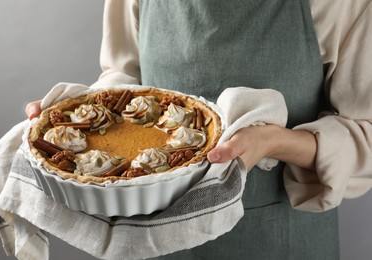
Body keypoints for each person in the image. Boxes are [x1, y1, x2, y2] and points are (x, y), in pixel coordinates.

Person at [26, 0, 372, 259]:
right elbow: (124, 83)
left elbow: (366, 135)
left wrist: (273, 141)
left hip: (280, 237)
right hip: (150, 237)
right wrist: (83, 115)